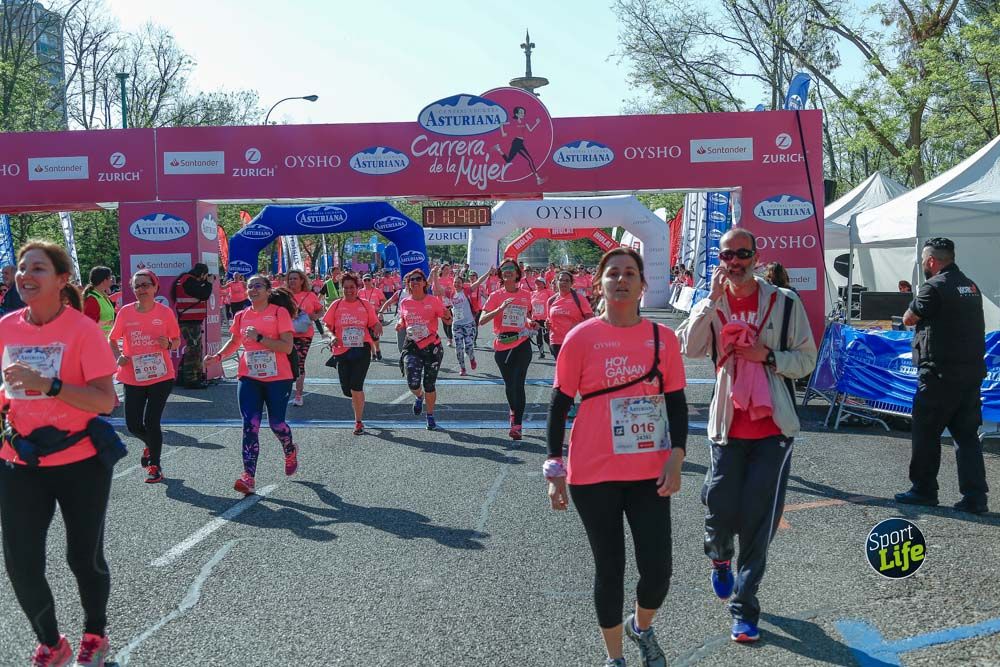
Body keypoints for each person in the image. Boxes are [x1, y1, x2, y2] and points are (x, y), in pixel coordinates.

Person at [545, 247, 689, 667]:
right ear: (599, 283)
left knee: (658, 571)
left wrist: (677, 456)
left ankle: (640, 627)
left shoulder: (663, 339)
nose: (621, 280)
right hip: (593, 473)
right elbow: (558, 405)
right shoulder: (581, 337)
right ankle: (615, 658)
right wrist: (555, 469)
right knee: (610, 568)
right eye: (613, 273)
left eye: (630, 273)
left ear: (643, 284)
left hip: (650, 470)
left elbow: (677, 403)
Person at [676, 228, 816, 643]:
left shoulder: (784, 302)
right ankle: (719, 557)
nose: (734, 262)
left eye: (742, 254)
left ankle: (744, 606)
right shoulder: (713, 301)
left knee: (759, 519)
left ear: (755, 257)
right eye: (727, 255)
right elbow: (690, 347)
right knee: (718, 507)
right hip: (727, 424)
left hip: (773, 428)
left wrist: (767, 355)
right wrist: (710, 301)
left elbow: (806, 359)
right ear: (719, 259)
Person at [0, 241, 121, 666]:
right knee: (21, 562)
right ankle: (51, 643)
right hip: (21, 460)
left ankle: (95, 635)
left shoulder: (83, 330)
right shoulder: (5, 328)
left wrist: (47, 384)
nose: (25, 275)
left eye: (38, 268)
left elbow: (105, 401)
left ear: (61, 279)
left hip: (80, 462)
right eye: (22, 267)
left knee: (83, 558)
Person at [896, 237, 989, 514]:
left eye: (924, 261)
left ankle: (923, 490)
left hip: (938, 374)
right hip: (970, 373)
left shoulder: (933, 286)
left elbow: (908, 318)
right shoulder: (970, 286)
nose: (924, 265)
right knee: (967, 436)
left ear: (932, 261)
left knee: (926, 433)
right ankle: (975, 497)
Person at [204, 275, 298, 495]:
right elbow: (234, 341)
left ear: (268, 291)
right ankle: (249, 477)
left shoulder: (279, 313)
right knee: (250, 425)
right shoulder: (241, 315)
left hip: (278, 378)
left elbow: (287, 347)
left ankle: (289, 448)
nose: (253, 290)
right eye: (250, 286)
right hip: (249, 377)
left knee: (277, 423)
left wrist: (259, 338)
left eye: (258, 286)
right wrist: (218, 357)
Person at [108, 269, 181, 484]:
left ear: (155, 287)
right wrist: (119, 356)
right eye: (137, 286)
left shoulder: (165, 312)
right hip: (133, 376)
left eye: (146, 285)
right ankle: (150, 444)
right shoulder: (125, 312)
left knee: (151, 421)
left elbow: (176, 340)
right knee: (132, 425)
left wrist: (168, 344)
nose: (142, 289)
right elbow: (112, 339)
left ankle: (155, 466)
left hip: (161, 376)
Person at [480, 259, 537, 440]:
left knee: (518, 384)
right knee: (510, 385)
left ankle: (517, 425)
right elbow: (482, 320)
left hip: (522, 344)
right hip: (503, 345)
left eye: (511, 268)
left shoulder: (526, 295)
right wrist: (500, 308)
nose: (508, 271)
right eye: (504, 269)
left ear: (517, 273)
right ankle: (513, 410)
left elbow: (528, 316)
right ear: (500, 274)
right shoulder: (495, 295)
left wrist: (531, 322)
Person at [323, 273, 382, 435]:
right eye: (346, 288)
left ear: (357, 288)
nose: (349, 290)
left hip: (362, 348)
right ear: (341, 289)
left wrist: (377, 326)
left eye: (352, 287)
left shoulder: (365, 305)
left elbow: (374, 322)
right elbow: (326, 326)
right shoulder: (336, 305)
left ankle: (358, 421)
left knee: (356, 386)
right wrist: (332, 336)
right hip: (341, 350)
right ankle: (358, 399)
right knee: (347, 390)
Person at [397, 269, 451, 430]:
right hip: (412, 346)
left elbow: (448, 321)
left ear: (424, 282)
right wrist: (399, 324)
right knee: (413, 383)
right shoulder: (405, 302)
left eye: (418, 279)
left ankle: (430, 415)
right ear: (408, 284)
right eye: (411, 280)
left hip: (432, 347)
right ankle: (419, 396)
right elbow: (403, 318)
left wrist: (447, 315)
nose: (415, 282)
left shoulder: (433, 301)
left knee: (429, 384)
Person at [435, 272, 488, 376]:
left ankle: (472, 358)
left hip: (468, 324)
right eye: (455, 282)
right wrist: (434, 275)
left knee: (468, 347)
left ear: (462, 284)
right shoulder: (451, 293)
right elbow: (439, 289)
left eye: (459, 282)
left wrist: (489, 272)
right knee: (458, 348)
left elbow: (478, 282)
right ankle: (462, 368)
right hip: (456, 325)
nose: (456, 284)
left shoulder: (467, 291)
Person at [172, 262, 215, 389]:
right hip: (189, 320)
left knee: (193, 348)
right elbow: (204, 294)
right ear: (202, 274)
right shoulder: (188, 281)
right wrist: (209, 283)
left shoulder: (186, 280)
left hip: (190, 320)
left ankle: (182, 376)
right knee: (194, 350)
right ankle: (191, 379)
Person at [286, 269, 324, 407]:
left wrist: (315, 316)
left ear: (302, 280)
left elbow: (320, 310)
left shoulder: (310, 295)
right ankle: (284, 392)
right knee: (285, 364)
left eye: (295, 278)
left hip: (304, 335)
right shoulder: (284, 295)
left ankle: (298, 395)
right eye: (290, 279)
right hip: (286, 334)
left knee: (299, 363)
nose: (292, 281)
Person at [548, 270, 594, 360]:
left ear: (572, 283)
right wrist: (547, 324)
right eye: (561, 280)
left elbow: (590, 318)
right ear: (556, 282)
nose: (563, 282)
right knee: (562, 367)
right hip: (556, 341)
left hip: (574, 340)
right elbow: (549, 320)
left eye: (567, 280)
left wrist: (578, 325)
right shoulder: (551, 300)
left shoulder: (579, 298)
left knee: (573, 367)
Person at [359, 275, 387, 360]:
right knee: (367, 336)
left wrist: (380, 309)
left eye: (368, 280)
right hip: (363, 317)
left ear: (372, 281)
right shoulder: (360, 292)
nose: (367, 282)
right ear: (362, 281)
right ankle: (373, 353)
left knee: (375, 336)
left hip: (375, 316)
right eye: (365, 280)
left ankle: (377, 349)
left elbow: (384, 301)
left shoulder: (377, 291)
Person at [82, 266, 116, 335]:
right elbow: (88, 326)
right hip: (96, 340)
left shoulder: (102, 295)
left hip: (105, 339)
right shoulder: (91, 299)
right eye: (110, 278)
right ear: (104, 280)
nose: (111, 280)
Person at [530, 276, 554, 359]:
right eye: (536, 283)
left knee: (547, 336)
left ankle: (552, 349)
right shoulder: (532, 293)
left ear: (544, 284)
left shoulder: (548, 292)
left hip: (546, 318)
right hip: (536, 318)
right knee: (538, 336)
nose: (538, 284)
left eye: (540, 283)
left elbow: (555, 301)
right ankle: (541, 353)